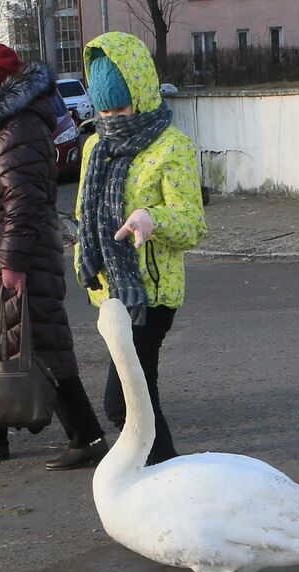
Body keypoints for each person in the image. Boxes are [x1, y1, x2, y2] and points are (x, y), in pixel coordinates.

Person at [0, 43, 107, 469]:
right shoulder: (0, 125)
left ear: (1, 84)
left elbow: (26, 201)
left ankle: (88, 436)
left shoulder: (19, 128)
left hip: (19, 259)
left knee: (41, 348)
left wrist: (12, 263)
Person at [75, 32, 206, 466]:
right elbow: (85, 212)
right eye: (105, 108)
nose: (113, 117)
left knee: (123, 403)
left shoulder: (172, 147)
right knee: (140, 397)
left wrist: (153, 218)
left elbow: (192, 224)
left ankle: (164, 474)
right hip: (110, 294)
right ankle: (168, 477)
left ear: (143, 93)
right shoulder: (96, 145)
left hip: (151, 294)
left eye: (121, 106)